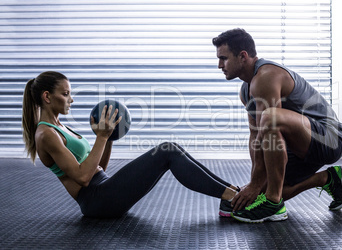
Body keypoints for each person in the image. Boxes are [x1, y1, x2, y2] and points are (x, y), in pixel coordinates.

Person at [22, 71, 239, 218]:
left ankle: (233, 191)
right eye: (66, 94)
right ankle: (233, 199)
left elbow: (98, 169)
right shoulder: (46, 134)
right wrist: (102, 137)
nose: (71, 100)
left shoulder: (61, 127)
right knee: (168, 151)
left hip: (104, 189)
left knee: (171, 148)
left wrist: (109, 139)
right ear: (47, 96)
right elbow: (82, 177)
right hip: (97, 201)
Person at [212, 28, 342, 223]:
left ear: (243, 56)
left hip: (329, 138)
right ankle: (329, 178)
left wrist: (256, 184)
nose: (219, 65)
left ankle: (273, 203)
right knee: (263, 190)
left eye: (224, 58)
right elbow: (256, 138)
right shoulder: (246, 91)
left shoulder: (266, 75)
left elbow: (271, 124)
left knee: (270, 117)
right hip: (300, 145)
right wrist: (255, 184)